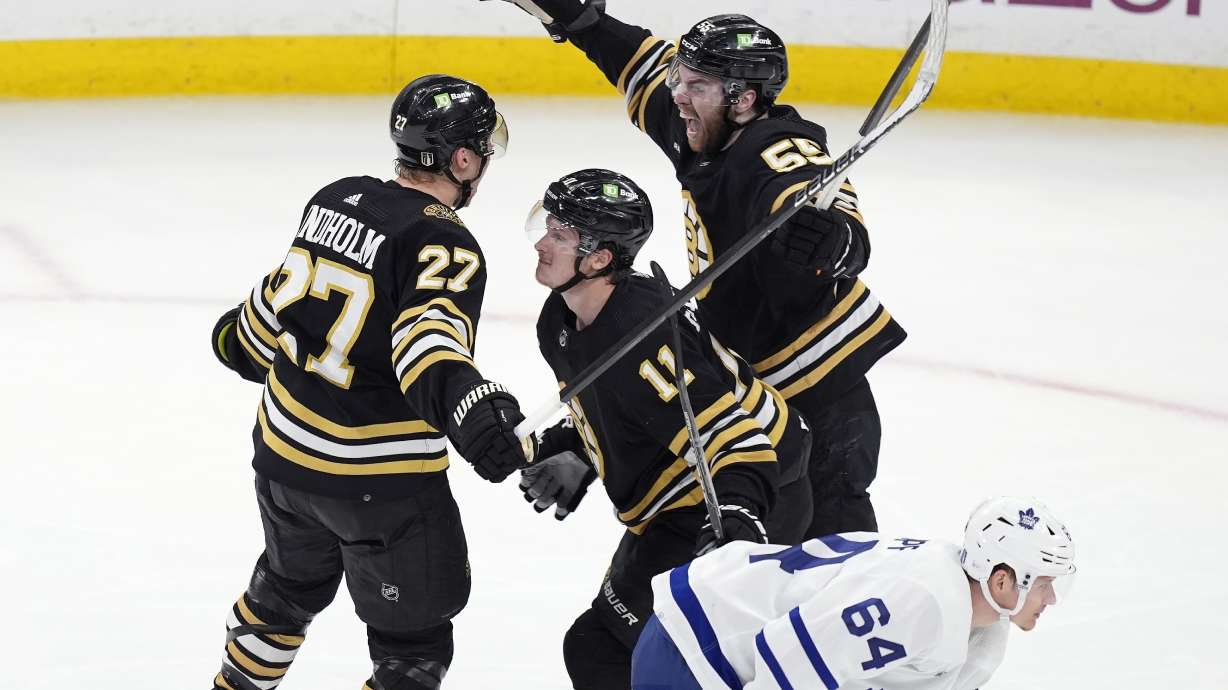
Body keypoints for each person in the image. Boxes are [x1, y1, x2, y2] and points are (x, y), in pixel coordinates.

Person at [486, 0, 907, 537]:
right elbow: (637, 62)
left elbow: (825, 202)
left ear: (744, 99)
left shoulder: (771, 146)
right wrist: (580, 19)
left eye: (695, 85)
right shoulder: (700, 123)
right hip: (747, 380)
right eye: (681, 80)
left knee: (833, 565)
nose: (677, 95)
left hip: (817, 390)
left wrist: (834, 241)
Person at [205, 74, 530, 690]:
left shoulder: (335, 198)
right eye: (482, 151)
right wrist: (475, 410)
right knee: (412, 649)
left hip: (283, 462)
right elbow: (427, 350)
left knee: (282, 593)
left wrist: (236, 339)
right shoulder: (444, 240)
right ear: (462, 158)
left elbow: (273, 311)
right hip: (378, 485)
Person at [520, 168, 814, 690]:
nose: (543, 241)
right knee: (614, 651)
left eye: (560, 234)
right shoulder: (561, 321)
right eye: (548, 226)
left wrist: (741, 516)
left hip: (741, 491)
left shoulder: (643, 340)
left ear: (600, 258)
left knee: (611, 652)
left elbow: (735, 439)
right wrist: (580, 451)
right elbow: (621, 404)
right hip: (682, 499)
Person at [630, 496, 1077, 689]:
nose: (1051, 599)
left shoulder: (978, 629)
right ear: (1002, 580)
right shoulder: (924, 600)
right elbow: (791, 658)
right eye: (1043, 583)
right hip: (697, 647)